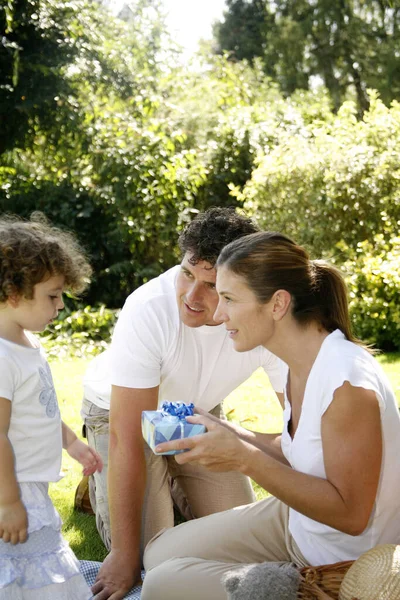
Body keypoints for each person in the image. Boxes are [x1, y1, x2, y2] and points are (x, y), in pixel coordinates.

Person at [140, 231, 400, 600]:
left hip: (340, 558)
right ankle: (269, 577)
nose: (217, 313)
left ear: (277, 304)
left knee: (161, 584)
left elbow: (351, 516)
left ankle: (285, 585)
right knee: (157, 553)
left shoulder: (347, 384)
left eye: (228, 298)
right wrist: (228, 430)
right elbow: (307, 447)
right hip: (297, 522)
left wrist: (243, 458)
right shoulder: (304, 359)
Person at [82, 208, 285, 599]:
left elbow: (302, 428)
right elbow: (128, 436)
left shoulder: (265, 318)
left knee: (244, 542)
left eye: (211, 285)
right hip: (119, 416)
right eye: (187, 273)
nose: (192, 296)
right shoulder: (149, 309)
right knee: (150, 558)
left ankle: (171, 476)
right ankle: (106, 476)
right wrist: (124, 555)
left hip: (196, 413)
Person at [0, 214, 103, 600]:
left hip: (29, 483)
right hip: (12, 485)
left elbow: (42, 409)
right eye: (52, 295)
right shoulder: (3, 356)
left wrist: (71, 442)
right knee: (20, 569)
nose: (60, 305)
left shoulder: (27, 344)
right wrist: (8, 502)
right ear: (14, 293)